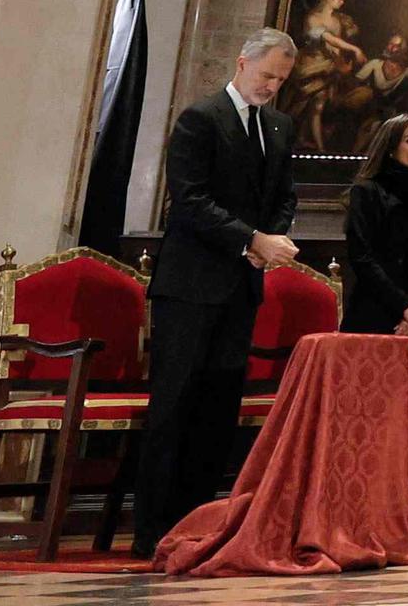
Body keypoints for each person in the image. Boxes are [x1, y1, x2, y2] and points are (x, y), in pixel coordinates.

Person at [133, 29, 303, 552]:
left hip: (239, 289)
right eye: (266, 74)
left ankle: (200, 527)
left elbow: (284, 197)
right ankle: (154, 533)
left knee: (217, 411)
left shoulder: (279, 127)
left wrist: (268, 239)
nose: (272, 86)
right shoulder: (200, 120)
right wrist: (250, 240)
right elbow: (188, 201)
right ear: (241, 62)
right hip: (189, 288)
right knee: (175, 407)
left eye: (280, 79)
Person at [339, 113, 408, 338]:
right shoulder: (366, 191)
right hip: (372, 310)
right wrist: (405, 306)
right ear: (391, 147)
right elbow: (361, 257)